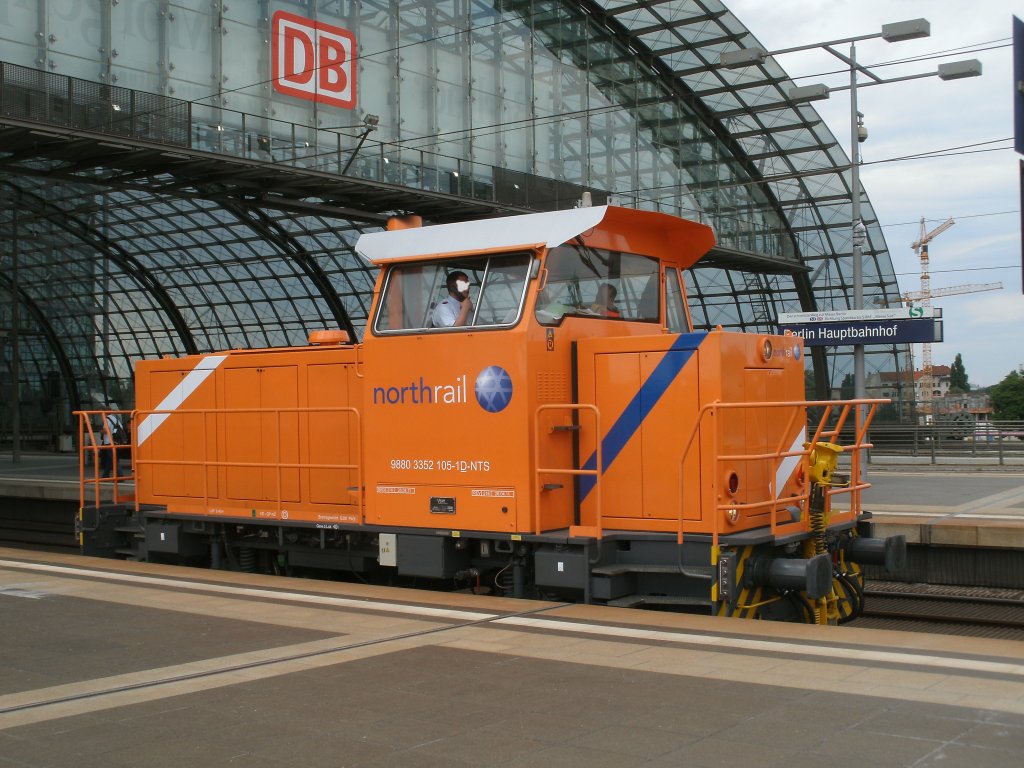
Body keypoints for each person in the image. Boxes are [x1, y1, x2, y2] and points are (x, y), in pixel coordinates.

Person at [99, 409, 125, 478]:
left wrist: (101, 432)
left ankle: (120, 475)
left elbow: (105, 430)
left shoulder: (107, 419)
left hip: (109, 442)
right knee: (110, 459)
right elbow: (121, 428)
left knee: (113, 459)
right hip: (117, 442)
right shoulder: (115, 419)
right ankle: (106, 474)